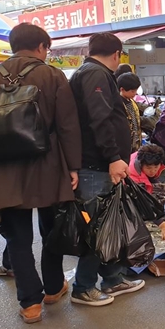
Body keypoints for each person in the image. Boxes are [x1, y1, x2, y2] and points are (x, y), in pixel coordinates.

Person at [0, 23, 81, 323]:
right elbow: (68, 125)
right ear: (42, 47)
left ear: (13, 45)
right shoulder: (52, 75)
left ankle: (30, 304)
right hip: (48, 165)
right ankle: (54, 288)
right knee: (52, 229)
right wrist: (73, 167)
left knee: (17, 238)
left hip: (2, 169)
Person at [69, 32, 143, 306]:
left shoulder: (93, 73)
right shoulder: (95, 75)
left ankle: (113, 278)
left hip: (99, 165)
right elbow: (99, 120)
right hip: (95, 166)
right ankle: (83, 287)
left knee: (110, 225)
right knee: (97, 228)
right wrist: (113, 156)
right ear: (116, 54)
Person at [117, 72, 143, 153]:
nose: (135, 93)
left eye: (136, 90)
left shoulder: (131, 101)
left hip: (135, 142)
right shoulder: (117, 104)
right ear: (122, 89)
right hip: (123, 145)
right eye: (132, 91)